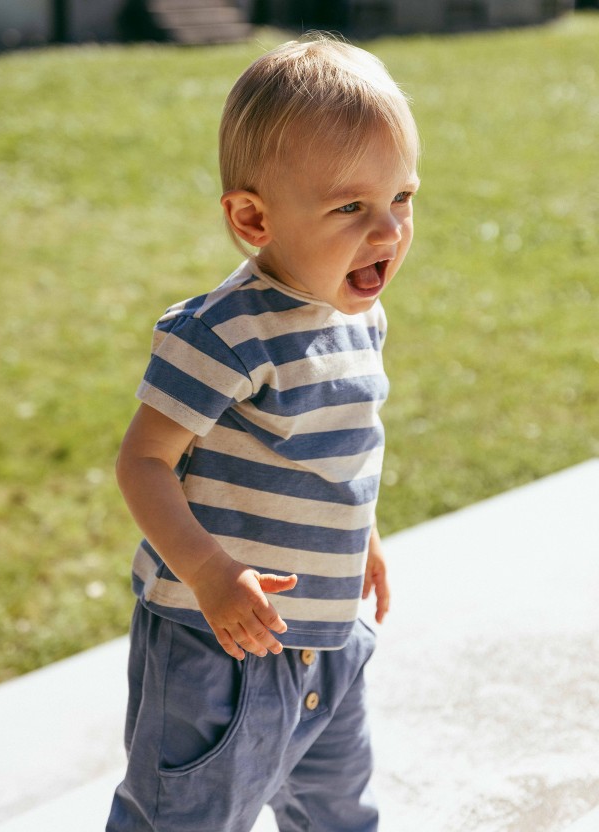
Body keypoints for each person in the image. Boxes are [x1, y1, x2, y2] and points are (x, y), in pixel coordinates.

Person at [106, 34, 420, 832]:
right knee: (181, 820)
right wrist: (210, 574)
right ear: (254, 218)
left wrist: (363, 538)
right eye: (350, 207)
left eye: (402, 197)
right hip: (217, 647)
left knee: (339, 814)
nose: (387, 230)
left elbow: (335, 451)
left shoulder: (360, 316)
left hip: (328, 642)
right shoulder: (224, 333)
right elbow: (143, 462)